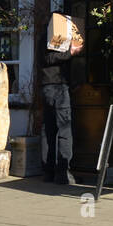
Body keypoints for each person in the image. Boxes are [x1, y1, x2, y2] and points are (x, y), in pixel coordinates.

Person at [39, 14, 83, 184]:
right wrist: (70, 52)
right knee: (64, 130)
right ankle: (63, 173)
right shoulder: (47, 38)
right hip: (56, 87)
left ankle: (48, 172)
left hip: (49, 87)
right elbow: (48, 59)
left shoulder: (47, 36)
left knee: (48, 130)